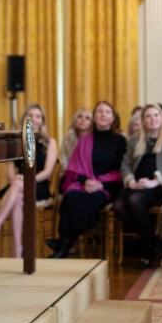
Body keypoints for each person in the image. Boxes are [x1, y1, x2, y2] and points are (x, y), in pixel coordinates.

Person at [46, 101, 127, 258]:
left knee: (89, 201)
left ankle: (64, 243)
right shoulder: (84, 140)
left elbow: (121, 170)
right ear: (94, 117)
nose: (103, 115)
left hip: (108, 186)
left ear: (113, 118)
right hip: (85, 183)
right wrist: (85, 182)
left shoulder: (120, 141)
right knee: (70, 197)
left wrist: (100, 184)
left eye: (107, 112)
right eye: (99, 112)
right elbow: (74, 167)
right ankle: (64, 243)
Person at [113, 104, 162, 268]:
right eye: (148, 116)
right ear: (143, 120)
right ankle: (154, 242)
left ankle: (148, 250)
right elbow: (125, 164)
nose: (153, 119)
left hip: (158, 186)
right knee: (118, 206)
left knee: (134, 202)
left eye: (156, 115)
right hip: (135, 184)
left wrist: (154, 181)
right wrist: (130, 180)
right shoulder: (134, 139)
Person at [0, 103, 57, 256]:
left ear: (43, 120)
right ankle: (18, 249)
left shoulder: (50, 142)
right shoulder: (17, 140)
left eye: (38, 116)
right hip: (17, 185)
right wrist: (16, 179)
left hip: (39, 186)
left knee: (17, 187)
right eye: (30, 115)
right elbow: (10, 171)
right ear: (25, 119)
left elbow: (48, 172)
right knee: (17, 196)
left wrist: (26, 180)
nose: (34, 119)